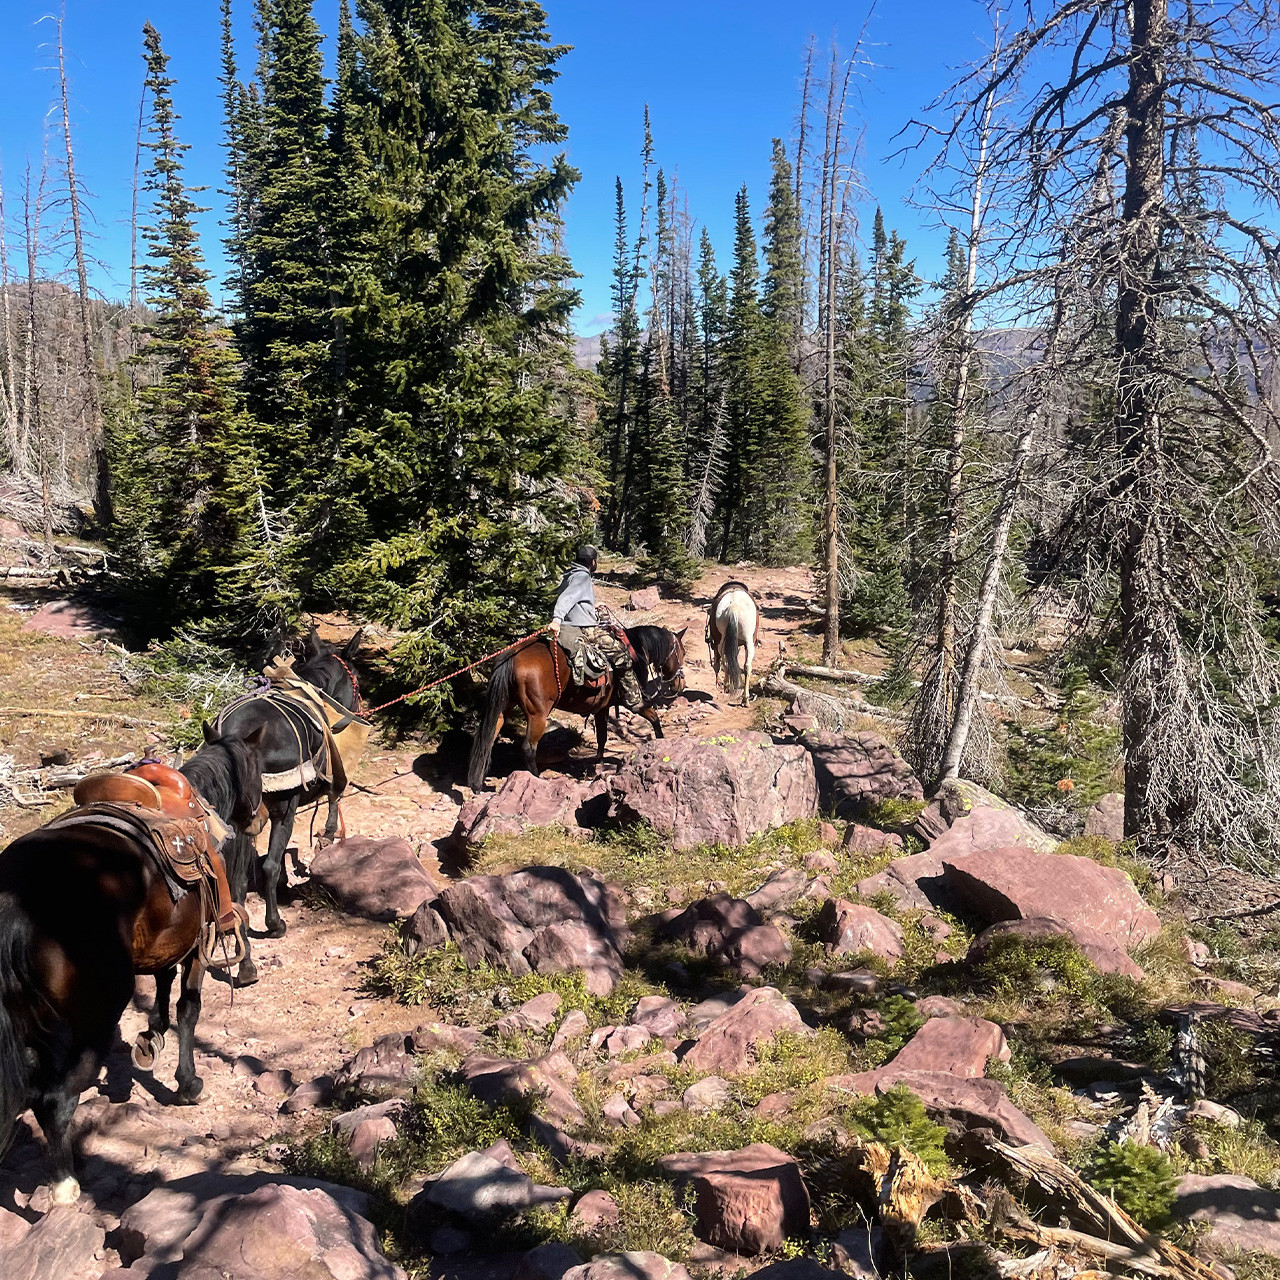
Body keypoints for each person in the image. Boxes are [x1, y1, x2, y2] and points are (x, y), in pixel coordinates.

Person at [549, 544, 646, 711]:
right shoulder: (582, 577)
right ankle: (632, 700)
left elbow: (576, 601)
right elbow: (567, 598)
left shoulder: (570, 574)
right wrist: (557, 619)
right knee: (622, 655)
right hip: (584, 628)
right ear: (592, 562)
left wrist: (592, 606)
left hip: (575, 621)